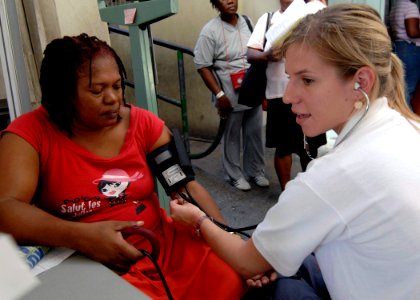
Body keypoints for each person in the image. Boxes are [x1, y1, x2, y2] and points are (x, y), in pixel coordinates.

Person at [171, 4, 420, 299]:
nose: (288, 97)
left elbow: (248, 262)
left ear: (361, 82)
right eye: (289, 78)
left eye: (308, 80)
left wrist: (198, 220)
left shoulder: (334, 175)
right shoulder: (406, 125)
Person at [0, 33, 249, 299]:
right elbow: (6, 209)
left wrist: (233, 245)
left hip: (162, 246)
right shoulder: (29, 134)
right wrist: (80, 236)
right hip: (89, 261)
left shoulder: (145, 125)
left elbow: (185, 188)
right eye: (97, 90)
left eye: (117, 87)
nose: (112, 99)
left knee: (229, 279)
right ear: (63, 94)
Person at [246, 0, 327, 191]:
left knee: (310, 146)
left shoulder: (312, 13)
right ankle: (285, 191)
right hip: (279, 94)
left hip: (309, 92)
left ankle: (309, 190)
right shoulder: (268, 19)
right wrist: (267, 55)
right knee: (283, 147)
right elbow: (250, 54)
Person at [194, 0, 269, 191]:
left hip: (252, 87)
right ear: (215, 3)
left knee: (255, 133)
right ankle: (234, 175)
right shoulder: (210, 31)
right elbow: (202, 65)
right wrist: (219, 95)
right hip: (229, 93)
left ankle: (256, 172)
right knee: (233, 136)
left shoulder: (248, 22)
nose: (230, 0)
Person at [389, 0, 420, 109]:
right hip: (410, 50)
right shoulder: (411, 6)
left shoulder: (396, 6)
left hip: (398, 47)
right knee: (407, 90)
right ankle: (406, 120)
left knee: (399, 88)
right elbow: (412, 32)